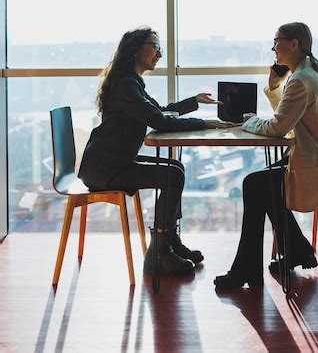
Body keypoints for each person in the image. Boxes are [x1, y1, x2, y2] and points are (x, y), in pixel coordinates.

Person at [78, 26, 233, 277]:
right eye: (155, 47)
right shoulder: (126, 85)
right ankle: (158, 255)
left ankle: (170, 241)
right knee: (173, 176)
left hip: (112, 161)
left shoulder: (130, 81)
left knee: (176, 168)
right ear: (135, 50)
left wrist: (193, 102)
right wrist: (205, 123)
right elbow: (160, 121)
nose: (160, 54)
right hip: (106, 169)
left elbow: (158, 111)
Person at [214, 22, 318, 288]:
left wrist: (248, 120)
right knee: (262, 185)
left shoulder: (301, 80)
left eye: (277, 41)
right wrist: (274, 85)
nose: (273, 47)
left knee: (255, 184)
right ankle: (295, 251)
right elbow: (288, 119)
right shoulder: (306, 74)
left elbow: (279, 127)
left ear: (294, 44)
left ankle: (252, 267)